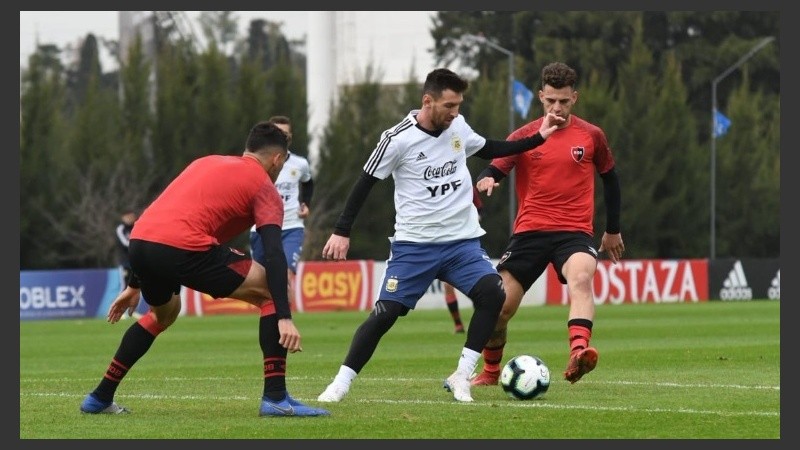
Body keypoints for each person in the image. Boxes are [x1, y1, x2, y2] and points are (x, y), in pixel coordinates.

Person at [316, 67, 564, 404]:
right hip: (415, 246)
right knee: (386, 313)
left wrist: (539, 137)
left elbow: (491, 147)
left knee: (493, 294)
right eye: (449, 105)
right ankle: (340, 384)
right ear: (427, 101)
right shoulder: (397, 139)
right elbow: (365, 183)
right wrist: (341, 231)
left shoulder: (457, 127)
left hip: (461, 243)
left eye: (458, 105)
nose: (455, 112)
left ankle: (462, 375)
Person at [79, 121, 330, 417]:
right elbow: (274, 254)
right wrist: (284, 316)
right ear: (277, 159)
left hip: (141, 242)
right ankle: (276, 397)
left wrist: (135, 283)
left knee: (163, 314)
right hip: (182, 246)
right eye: (283, 162)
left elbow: (160, 217)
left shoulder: (206, 162)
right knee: (272, 291)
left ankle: (100, 397)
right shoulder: (264, 188)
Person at [470, 61, 624, 387]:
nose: (557, 108)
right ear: (540, 96)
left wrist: (612, 229)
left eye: (564, 101)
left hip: (574, 232)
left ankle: (578, 352)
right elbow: (497, 166)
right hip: (530, 232)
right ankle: (491, 371)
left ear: (574, 98)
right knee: (498, 307)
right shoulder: (525, 136)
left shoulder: (591, 135)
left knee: (581, 278)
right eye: (551, 100)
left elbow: (610, 180)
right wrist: (487, 178)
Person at [249, 115, 314, 305]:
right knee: (262, 283)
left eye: (285, 134)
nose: (282, 137)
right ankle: (272, 319)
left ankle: (285, 319)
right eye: (278, 133)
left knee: (284, 275)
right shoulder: (258, 163)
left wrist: (306, 203)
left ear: (290, 137)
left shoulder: (300, 164)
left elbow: (308, 182)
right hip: (261, 228)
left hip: (291, 226)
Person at [441, 186, 484, 334]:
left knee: (477, 285)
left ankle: (479, 321)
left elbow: (480, 210)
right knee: (448, 285)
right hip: (445, 242)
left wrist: (474, 219)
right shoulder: (438, 189)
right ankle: (458, 324)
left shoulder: (465, 185)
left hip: (465, 242)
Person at [114, 210, 138, 290]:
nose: (130, 219)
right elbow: (125, 243)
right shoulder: (121, 229)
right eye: (128, 217)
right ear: (123, 218)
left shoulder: (137, 227)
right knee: (125, 286)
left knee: (136, 288)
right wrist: (136, 245)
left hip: (136, 262)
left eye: (131, 216)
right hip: (125, 262)